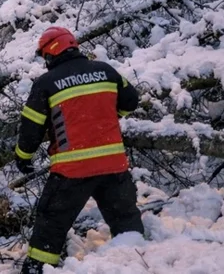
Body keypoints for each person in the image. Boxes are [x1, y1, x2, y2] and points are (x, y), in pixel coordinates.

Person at [16, 27, 144, 273]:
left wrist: (23, 156)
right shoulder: (106, 71)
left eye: (45, 56)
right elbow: (131, 101)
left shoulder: (46, 83)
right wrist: (108, 116)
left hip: (72, 171)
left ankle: (38, 268)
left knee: (51, 221)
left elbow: (31, 127)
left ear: (51, 53)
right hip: (113, 166)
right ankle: (138, 262)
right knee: (125, 219)